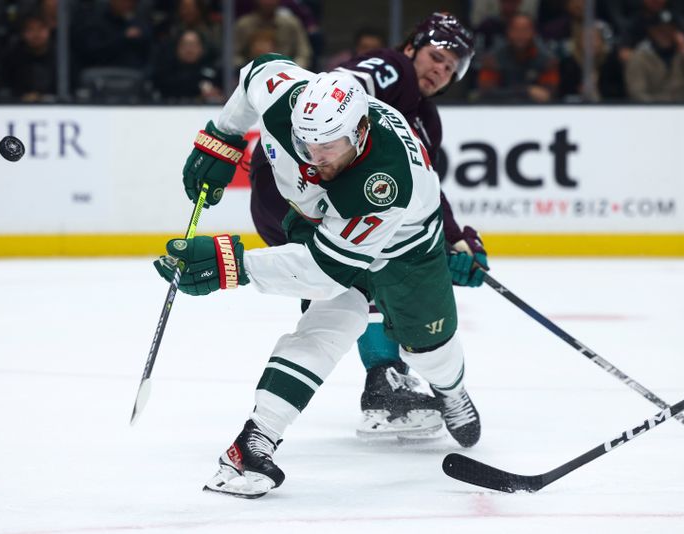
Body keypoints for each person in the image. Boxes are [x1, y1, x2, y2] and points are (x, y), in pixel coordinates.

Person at [153, 53, 482, 497]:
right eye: (306, 144)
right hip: (320, 221)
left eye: (328, 147)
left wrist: (231, 264)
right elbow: (255, 73)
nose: (314, 158)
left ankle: (452, 389)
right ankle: (256, 440)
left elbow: (325, 271)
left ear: (360, 132)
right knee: (334, 317)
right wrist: (222, 138)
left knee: (426, 347)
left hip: (405, 247)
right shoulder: (286, 97)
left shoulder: (383, 182)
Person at [247, 13, 486, 441]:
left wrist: (452, 237)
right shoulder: (392, 70)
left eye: (450, 67)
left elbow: (418, 183)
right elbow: (335, 94)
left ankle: (386, 384)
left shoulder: (425, 119)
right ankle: (384, 384)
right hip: (297, 190)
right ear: (412, 47)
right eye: (436, 56)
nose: (440, 70)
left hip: (323, 196)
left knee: (350, 287)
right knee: (353, 280)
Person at [625, 9, 684, 102]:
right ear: (651, 31)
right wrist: (660, 108)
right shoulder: (639, 57)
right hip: (652, 111)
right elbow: (637, 94)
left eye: (670, 29)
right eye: (660, 30)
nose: (665, 34)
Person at [475, 13, 560, 102]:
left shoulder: (548, 61)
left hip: (535, 111)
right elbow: (486, 93)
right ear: (508, 32)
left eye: (525, 30)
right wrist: (526, 91)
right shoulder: (492, 59)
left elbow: (548, 94)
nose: (520, 35)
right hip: (500, 110)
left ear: (534, 33)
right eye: (516, 30)